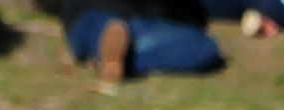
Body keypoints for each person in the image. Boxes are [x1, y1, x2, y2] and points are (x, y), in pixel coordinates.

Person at [58, 0, 224, 90]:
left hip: (139, 23)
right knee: (100, 24)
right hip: (91, 13)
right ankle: (110, 48)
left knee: (206, 46)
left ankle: (115, 56)